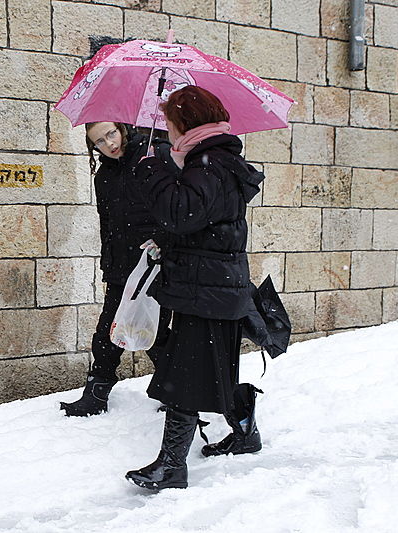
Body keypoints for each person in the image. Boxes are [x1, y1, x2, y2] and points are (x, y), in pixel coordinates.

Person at [124, 86, 265, 490]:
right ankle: (245, 433)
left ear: (184, 122)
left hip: (207, 290)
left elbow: (181, 213)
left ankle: (171, 467)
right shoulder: (214, 161)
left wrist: (153, 170)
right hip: (213, 286)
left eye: (169, 122)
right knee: (211, 367)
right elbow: (207, 225)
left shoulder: (207, 164)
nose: (166, 130)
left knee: (184, 376)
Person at [60, 122, 174, 417]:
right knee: (111, 329)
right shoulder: (104, 176)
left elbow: (174, 209)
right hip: (121, 266)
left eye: (111, 134)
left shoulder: (153, 157)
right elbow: (107, 226)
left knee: (154, 330)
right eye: (99, 141)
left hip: (154, 264)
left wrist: (164, 241)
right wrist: (108, 265)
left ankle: (176, 391)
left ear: (121, 128)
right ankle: (99, 390)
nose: (109, 143)